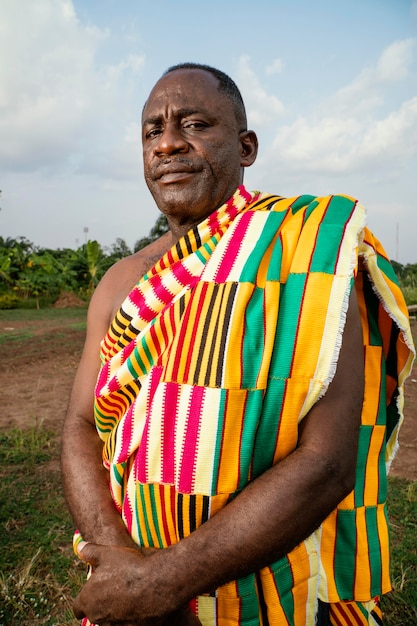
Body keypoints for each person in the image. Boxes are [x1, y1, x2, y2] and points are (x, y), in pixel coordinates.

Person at [61, 63, 415, 626]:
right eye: (152, 131)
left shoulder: (308, 253)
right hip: (134, 585)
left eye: (195, 124)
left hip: (275, 593)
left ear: (246, 147)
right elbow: (81, 424)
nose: (169, 142)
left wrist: (163, 581)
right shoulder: (119, 282)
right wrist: (122, 567)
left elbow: (326, 463)